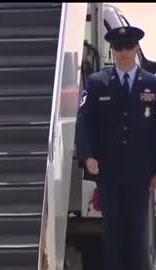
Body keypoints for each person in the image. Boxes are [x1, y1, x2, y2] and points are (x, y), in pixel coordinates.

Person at [75, 25, 156, 270]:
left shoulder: (151, 83)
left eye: (128, 46)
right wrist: (87, 156)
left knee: (138, 235)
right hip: (109, 173)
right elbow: (84, 122)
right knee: (114, 235)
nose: (123, 52)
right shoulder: (98, 83)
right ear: (112, 51)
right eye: (118, 47)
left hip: (141, 175)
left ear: (136, 49)